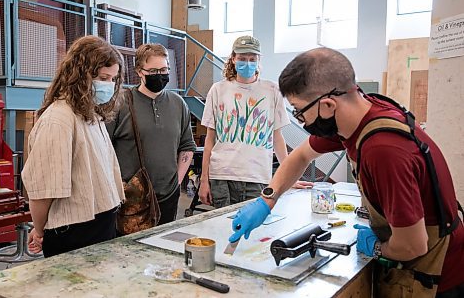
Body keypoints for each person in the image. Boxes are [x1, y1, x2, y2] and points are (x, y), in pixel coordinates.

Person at [228, 47, 463, 297]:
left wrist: (378, 248)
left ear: (328, 105)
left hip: (438, 277)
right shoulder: (360, 114)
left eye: (299, 111)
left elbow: (412, 245)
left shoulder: (383, 150)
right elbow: (301, 155)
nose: (302, 121)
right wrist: (268, 200)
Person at [22, 35, 126, 257]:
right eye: (102, 78)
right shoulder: (58, 119)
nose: (108, 85)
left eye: (112, 79)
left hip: (100, 222)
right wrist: (39, 230)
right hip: (75, 232)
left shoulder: (90, 114)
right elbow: (43, 191)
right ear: (79, 75)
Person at [199, 35, 311, 209]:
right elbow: (209, 140)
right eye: (242, 58)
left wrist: (289, 177)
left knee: (254, 230)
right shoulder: (218, 90)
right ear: (233, 59)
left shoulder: (272, 90)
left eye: (252, 59)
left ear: (259, 60)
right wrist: (204, 180)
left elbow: (277, 138)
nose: (247, 63)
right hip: (221, 175)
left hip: (257, 176)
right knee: (223, 229)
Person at [106, 43, 196, 225]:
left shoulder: (178, 104)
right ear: (139, 71)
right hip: (129, 199)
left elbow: (186, 146)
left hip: (168, 198)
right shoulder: (119, 102)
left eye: (164, 70)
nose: (160, 76)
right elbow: (103, 148)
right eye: (153, 71)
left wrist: (177, 182)